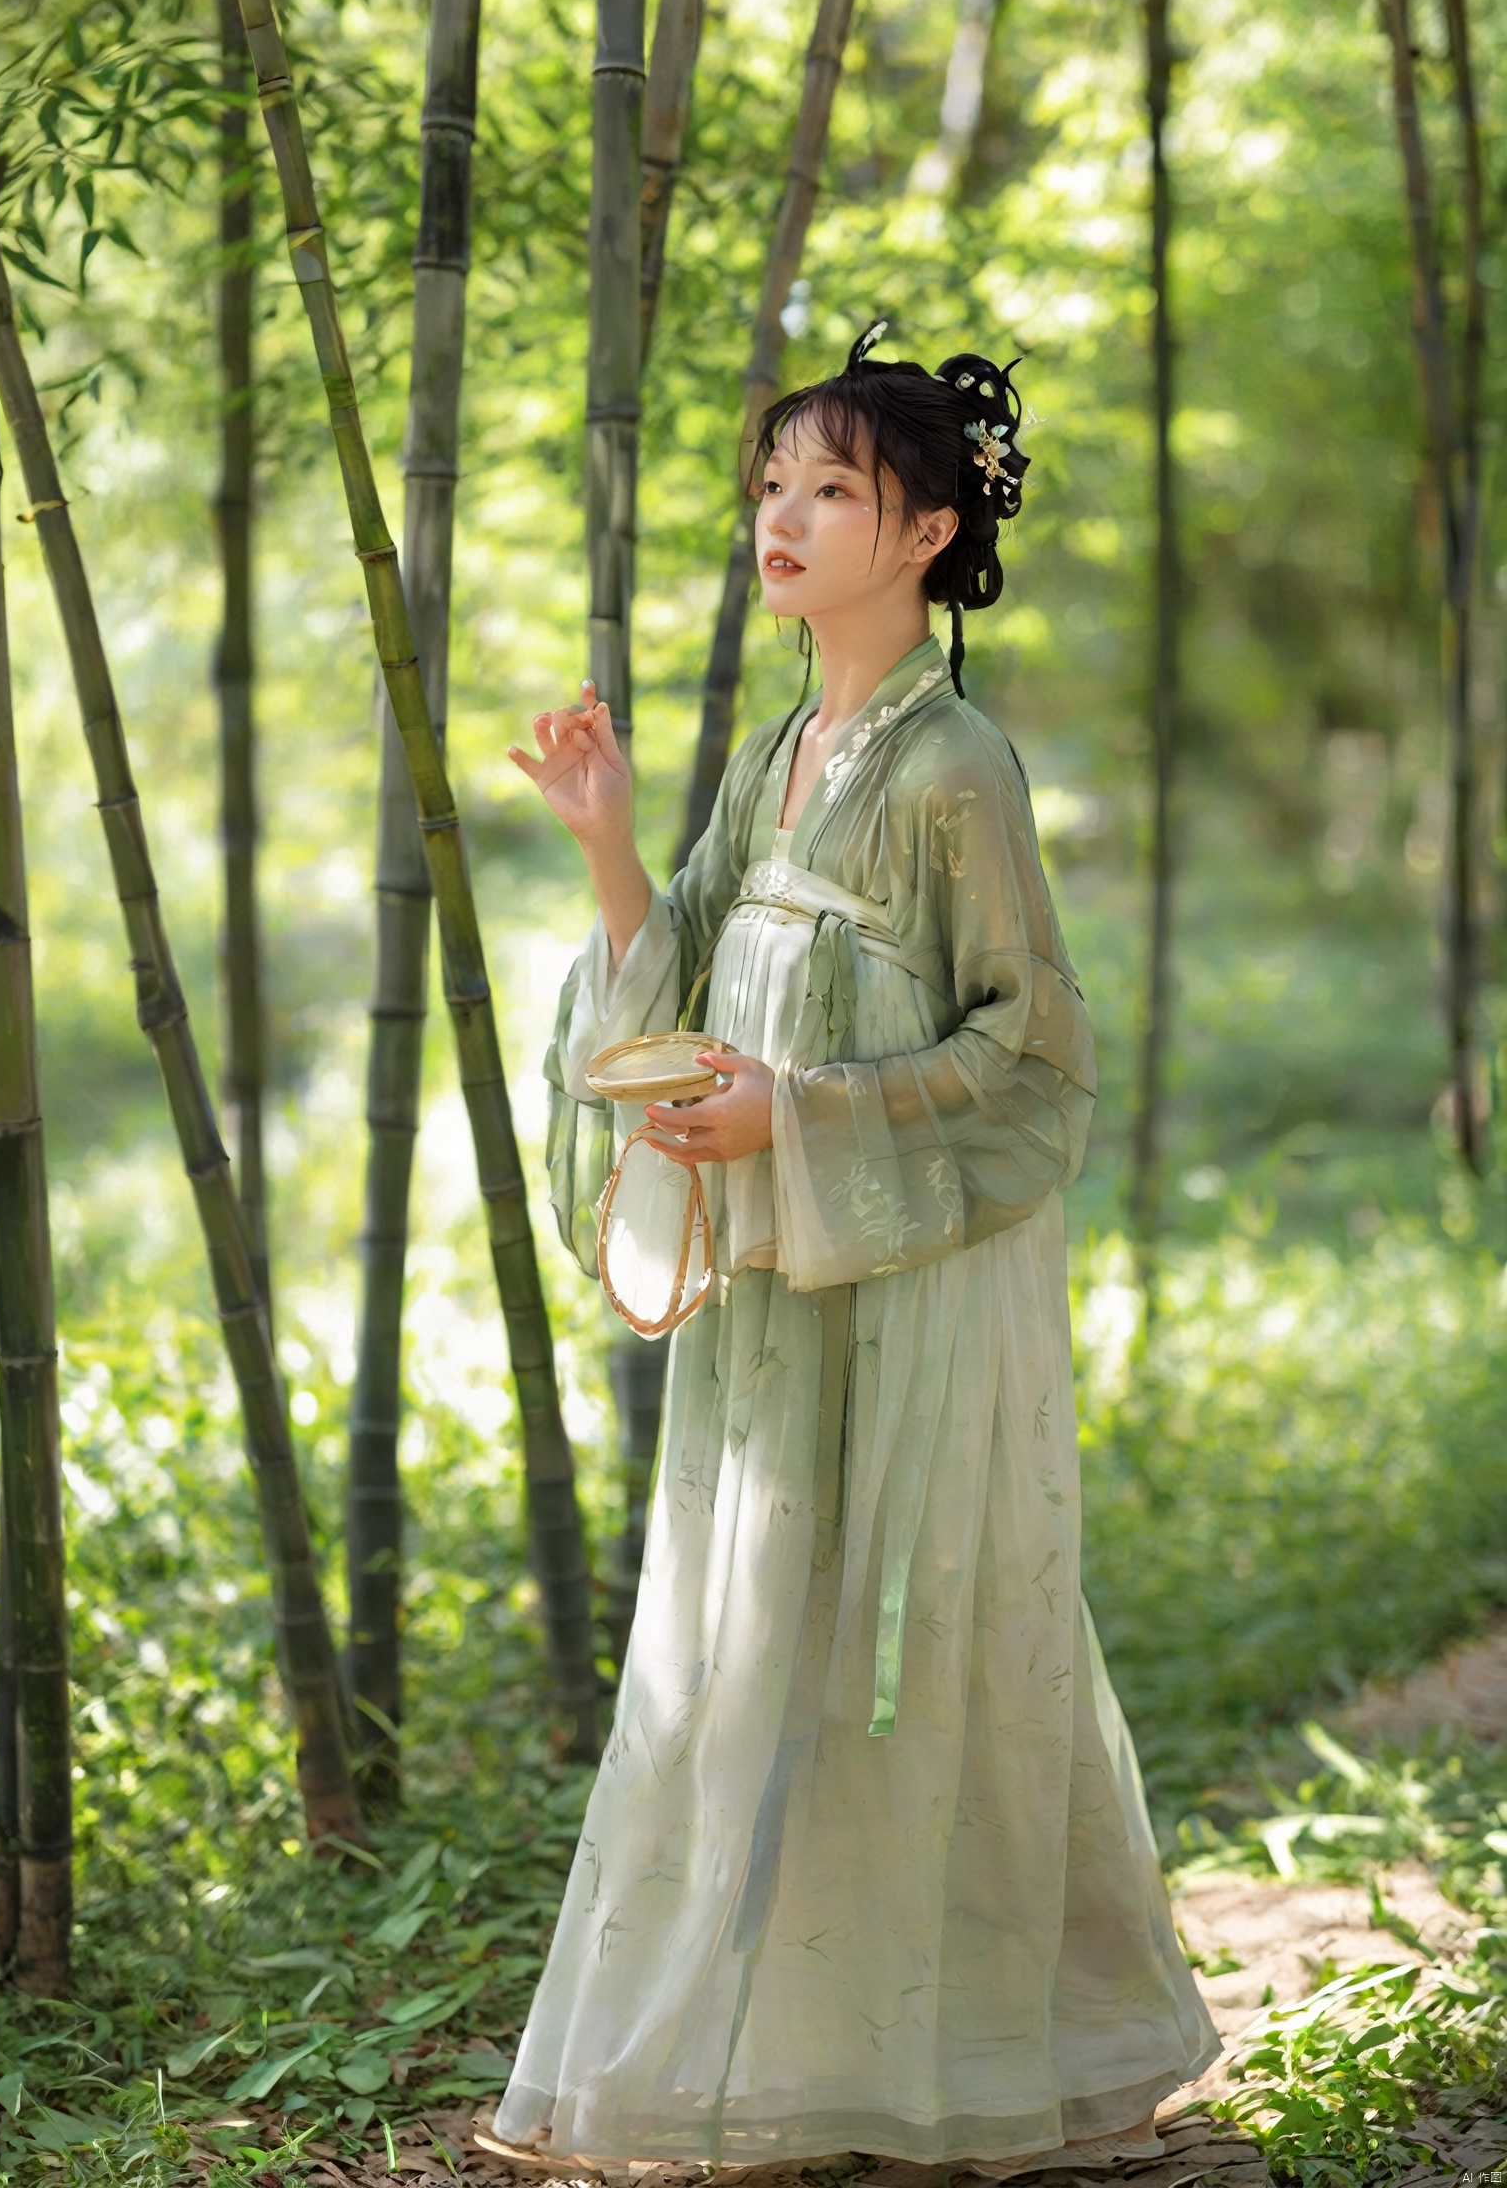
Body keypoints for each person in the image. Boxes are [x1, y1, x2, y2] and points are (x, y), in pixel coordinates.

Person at [494, 324, 1219, 2173]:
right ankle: (776, 2044)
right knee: (757, 1619)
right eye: (772, 485)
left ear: (927, 530)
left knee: (920, 1614)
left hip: (907, 1271)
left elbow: (1028, 1051)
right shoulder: (777, 752)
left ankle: (970, 2049)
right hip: (784, 1278)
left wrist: (798, 1114)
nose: (785, 517)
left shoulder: (957, 764)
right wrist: (603, 845)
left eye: (832, 487)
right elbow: (692, 979)